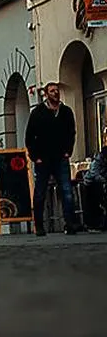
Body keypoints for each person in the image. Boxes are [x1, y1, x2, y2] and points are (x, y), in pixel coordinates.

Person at [25, 82, 79, 235]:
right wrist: (35, 157)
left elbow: (71, 132)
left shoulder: (66, 111)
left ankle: (70, 224)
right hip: (43, 158)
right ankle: (39, 226)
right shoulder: (38, 112)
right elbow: (29, 137)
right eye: (52, 91)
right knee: (40, 192)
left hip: (61, 157)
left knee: (67, 191)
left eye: (57, 90)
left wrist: (68, 151)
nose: (55, 93)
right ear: (46, 94)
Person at [81, 127, 107, 232]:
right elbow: (94, 174)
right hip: (92, 184)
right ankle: (94, 222)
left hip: (100, 182)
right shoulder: (98, 160)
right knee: (96, 191)